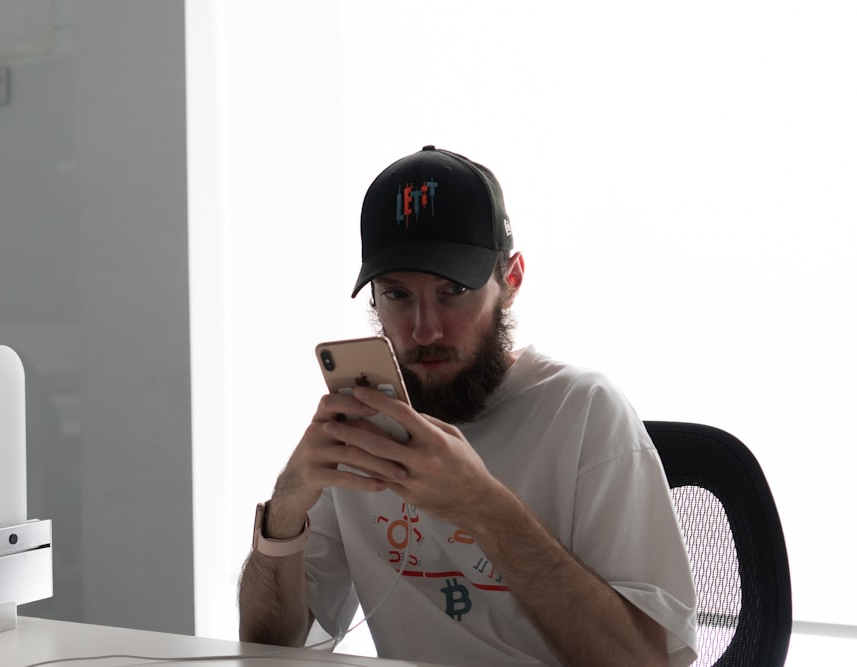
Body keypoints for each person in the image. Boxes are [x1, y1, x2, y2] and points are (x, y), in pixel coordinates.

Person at [238, 145, 698, 666]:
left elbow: (646, 663)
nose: (424, 329)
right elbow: (269, 649)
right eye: (397, 296)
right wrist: (287, 506)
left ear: (512, 280)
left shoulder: (585, 411)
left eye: (453, 290)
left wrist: (482, 506)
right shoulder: (360, 429)